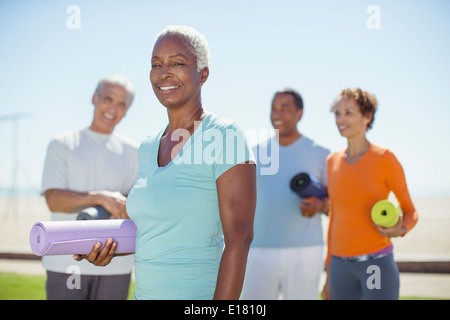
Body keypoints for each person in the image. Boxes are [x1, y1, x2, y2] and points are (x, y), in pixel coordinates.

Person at [75, 25, 256, 300]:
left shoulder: (224, 135)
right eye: (156, 64)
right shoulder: (147, 147)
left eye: (178, 63)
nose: (164, 72)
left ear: (203, 74)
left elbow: (239, 240)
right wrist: (106, 249)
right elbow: (155, 232)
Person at [41, 74, 138, 300]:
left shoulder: (135, 152)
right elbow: (54, 200)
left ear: (126, 111)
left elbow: (136, 204)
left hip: (117, 265)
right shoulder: (62, 144)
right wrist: (100, 198)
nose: (113, 109)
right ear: (94, 98)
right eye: (108, 99)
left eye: (121, 104)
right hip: (66, 264)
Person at [321, 88, 419, 300]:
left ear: (368, 116)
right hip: (339, 267)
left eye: (348, 112)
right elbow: (334, 218)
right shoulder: (331, 162)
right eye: (337, 113)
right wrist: (329, 274)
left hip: (375, 263)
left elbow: (410, 211)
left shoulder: (384, 158)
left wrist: (399, 229)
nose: (340, 119)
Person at [242, 88, 330, 300]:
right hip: (258, 249)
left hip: (306, 251)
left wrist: (319, 206)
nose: (277, 114)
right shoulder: (252, 153)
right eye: (274, 109)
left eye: (284, 109)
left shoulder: (321, 154)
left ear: (299, 113)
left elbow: (337, 203)